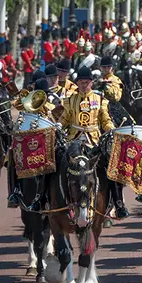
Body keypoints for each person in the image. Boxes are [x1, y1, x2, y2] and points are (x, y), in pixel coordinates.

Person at [58, 67, 127, 218]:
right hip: (74, 140)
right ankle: (53, 200)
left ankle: (118, 203)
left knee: (111, 164)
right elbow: (65, 118)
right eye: (81, 82)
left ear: (92, 83)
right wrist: (58, 126)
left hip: (94, 141)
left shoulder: (100, 99)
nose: (84, 85)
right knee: (59, 161)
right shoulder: (70, 100)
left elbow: (105, 119)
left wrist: (111, 129)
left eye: (87, 82)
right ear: (77, 83)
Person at [8, 79, 58, 210]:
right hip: (28, 145)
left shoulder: (52, 108)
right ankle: (15, 191)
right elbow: (16, 104)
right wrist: (23, 95)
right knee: (12, 155)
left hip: (46, 146)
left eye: (44, 94)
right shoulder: (27, 104)